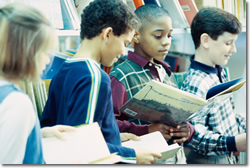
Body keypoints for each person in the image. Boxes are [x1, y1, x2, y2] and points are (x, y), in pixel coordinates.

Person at [40, 0, 161, 164]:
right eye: (125, 43)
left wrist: (116, 138)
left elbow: (53, 128)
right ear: (108, 34)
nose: (123, 52)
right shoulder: (95, 77)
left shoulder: (63, 70)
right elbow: (83, 146)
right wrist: (132, 155)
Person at [109, 4, 194, 164]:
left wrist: (187, 130)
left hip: (176, 158)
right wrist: (147, 130)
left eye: (169, 36)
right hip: (145, 158)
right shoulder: (121, 75)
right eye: (158, 36)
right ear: (136, 36)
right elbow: (110, 125)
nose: (166, 42)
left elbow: (177, 116)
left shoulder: (166, 72)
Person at [0, 3, 76, 164]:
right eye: (44, 51)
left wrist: (37, 134)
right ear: (27, 52)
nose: (48, 60)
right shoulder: (17, 103)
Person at [180, 7, 246, 164]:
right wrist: (233, 142)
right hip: (209, 161)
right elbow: (194, 137)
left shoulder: (219, 71)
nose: (234, 49)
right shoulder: (196, 83)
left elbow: (226, 115)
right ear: (205, 41)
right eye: (228, 43)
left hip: (227, 157)